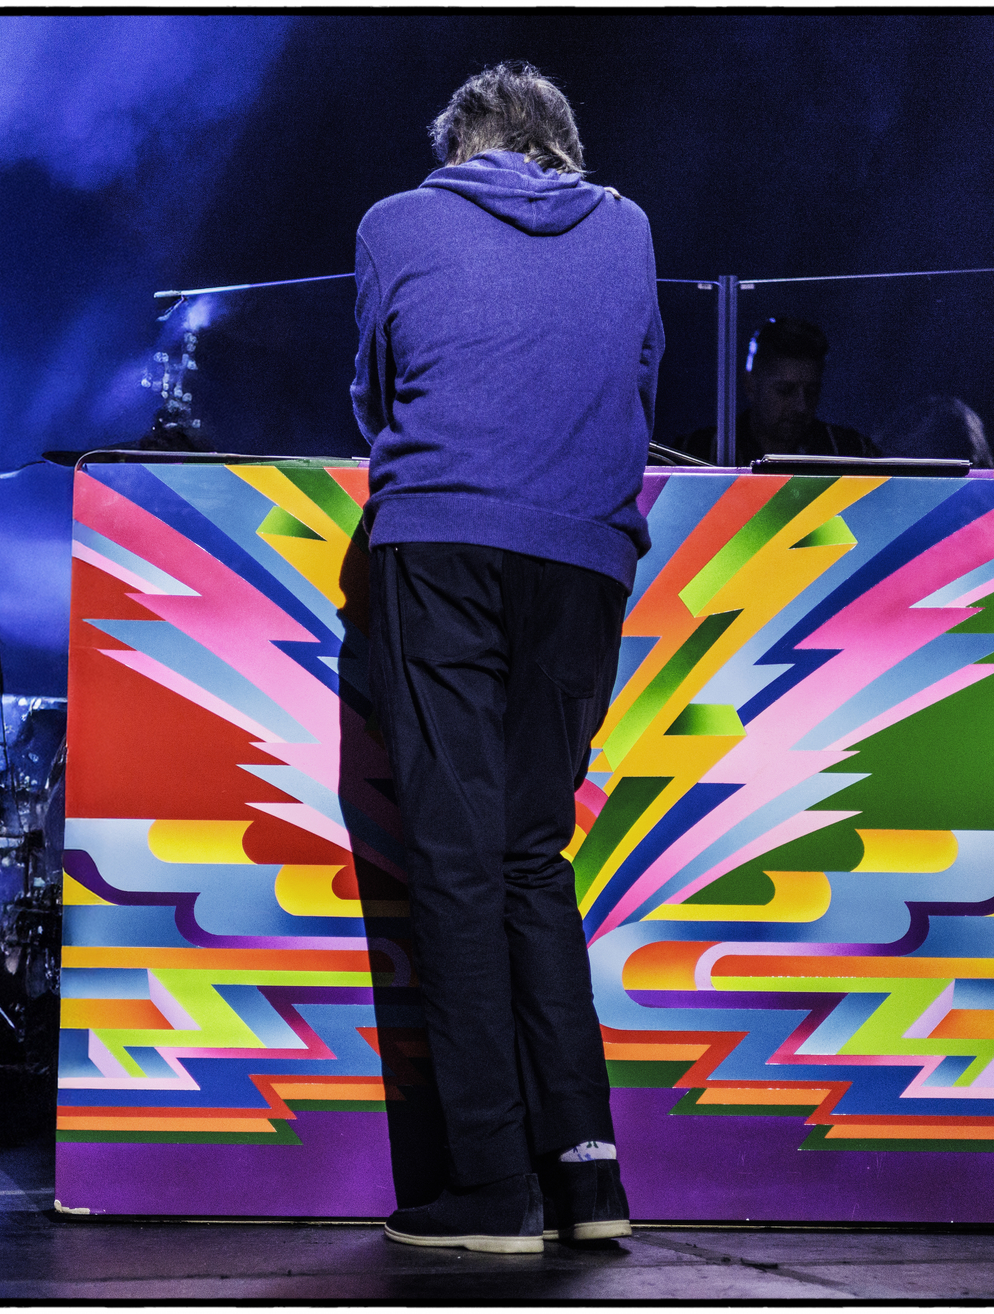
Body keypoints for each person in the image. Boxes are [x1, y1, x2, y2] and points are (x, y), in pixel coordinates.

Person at [351, 62, 659, 1253]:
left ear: (460, 145)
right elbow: (638, 385)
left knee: (456, 857)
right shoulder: (627, 229)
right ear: (556, 148)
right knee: (535, 851)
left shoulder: (396, 221)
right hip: (583, 558)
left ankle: (488, 1191)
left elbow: (374, 396)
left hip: (443, 538)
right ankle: (586, 1179)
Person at [677, 317, 878, 463]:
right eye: (785, 390)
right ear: (750, 385)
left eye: (811, 391)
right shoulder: (696, 452)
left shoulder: (851, 452)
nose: (801, 406)